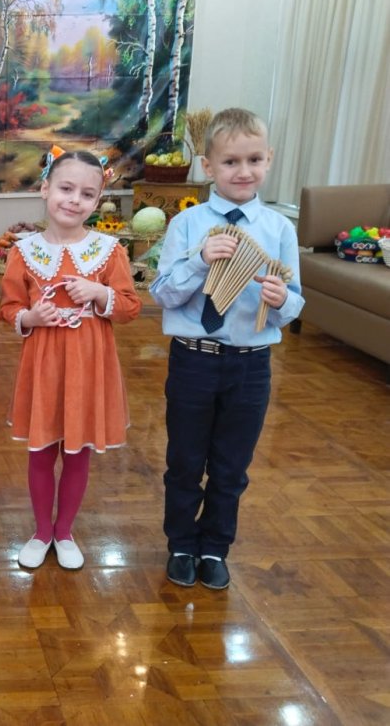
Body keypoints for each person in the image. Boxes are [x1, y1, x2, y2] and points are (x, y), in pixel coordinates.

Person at [149, 108, 304, 590]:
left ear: (269, 159)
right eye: (231, 162)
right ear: (208, 166)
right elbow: (163, 294)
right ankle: (181, 543)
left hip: (251, 366)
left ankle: (215, 547)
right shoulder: (187, 224)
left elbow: (294, 303)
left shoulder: (279, 230)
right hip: (194, 360)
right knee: (185, 461)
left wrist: (282, 301)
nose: (243, 171)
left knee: (232, 466)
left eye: (254, 160)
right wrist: (199, 260)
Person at [0, 150, 141, 571]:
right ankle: (42, 531)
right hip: (44, 366)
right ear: (45, 189)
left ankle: (64, 532)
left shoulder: (109, 251)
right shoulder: (23, 252)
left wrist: (99, 293)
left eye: (87, 194)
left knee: (78, 452)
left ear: (97, 201)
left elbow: (130, 307)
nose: (74, 200)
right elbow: (9, 308)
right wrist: (30, 317)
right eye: (66, 188)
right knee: (41, 452)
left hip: (89, 367)